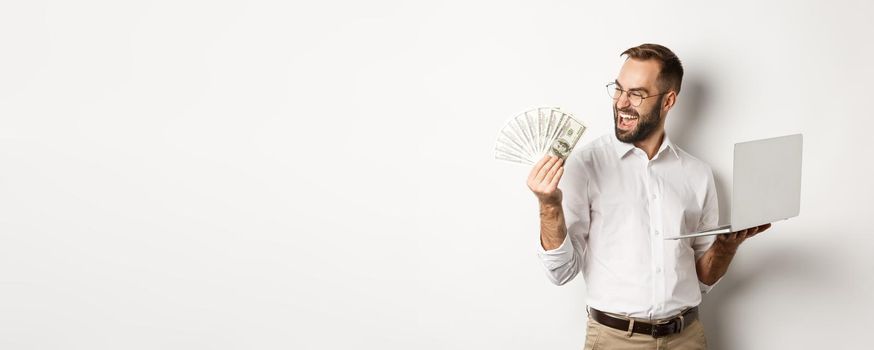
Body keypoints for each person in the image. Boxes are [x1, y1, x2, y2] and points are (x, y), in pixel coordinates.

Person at [527, 43, 771, 350]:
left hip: (687, 338)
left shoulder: (698, 174)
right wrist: (549, 206)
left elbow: (702, 279)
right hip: (615, 341)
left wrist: (725, 248)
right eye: (618, 89)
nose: (621, 102)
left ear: (668, 100)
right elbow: (561, 272)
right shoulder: (585, 165)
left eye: (637, 94)